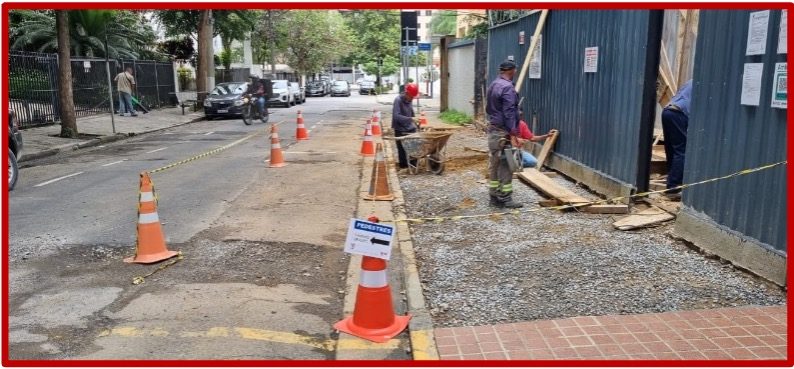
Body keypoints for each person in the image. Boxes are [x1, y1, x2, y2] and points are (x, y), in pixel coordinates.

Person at [485, 60, 522, 208]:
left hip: (493, 130)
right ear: (512, 71)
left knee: (495, 164)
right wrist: (513, 132)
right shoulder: (508, 88)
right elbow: (509, 112)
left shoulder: (494, 84)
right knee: (507, 164)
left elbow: (488, 108)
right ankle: (506, 198)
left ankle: (493, 196)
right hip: (503, 132)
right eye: (515, 70)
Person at [661, 79, 692, 201]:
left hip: (667, 111)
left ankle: (671, 177)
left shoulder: (691, 81)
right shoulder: (706, 84)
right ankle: (673, 187)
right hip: (679, 113)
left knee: (672, 150)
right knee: (681, 151)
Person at [392, 82, 420, 172]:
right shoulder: (398, 100)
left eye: (413, 97)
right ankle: (404, 167)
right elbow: (396, 116)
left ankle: (413, 164)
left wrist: (416, 121)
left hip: (409, 128)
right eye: (411, 96)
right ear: (406, 93)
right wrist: (411, 119)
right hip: (400, 128)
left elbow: (411, 112)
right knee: (402, 149)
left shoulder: (409, 100)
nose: (412, 99)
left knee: (414, 146)